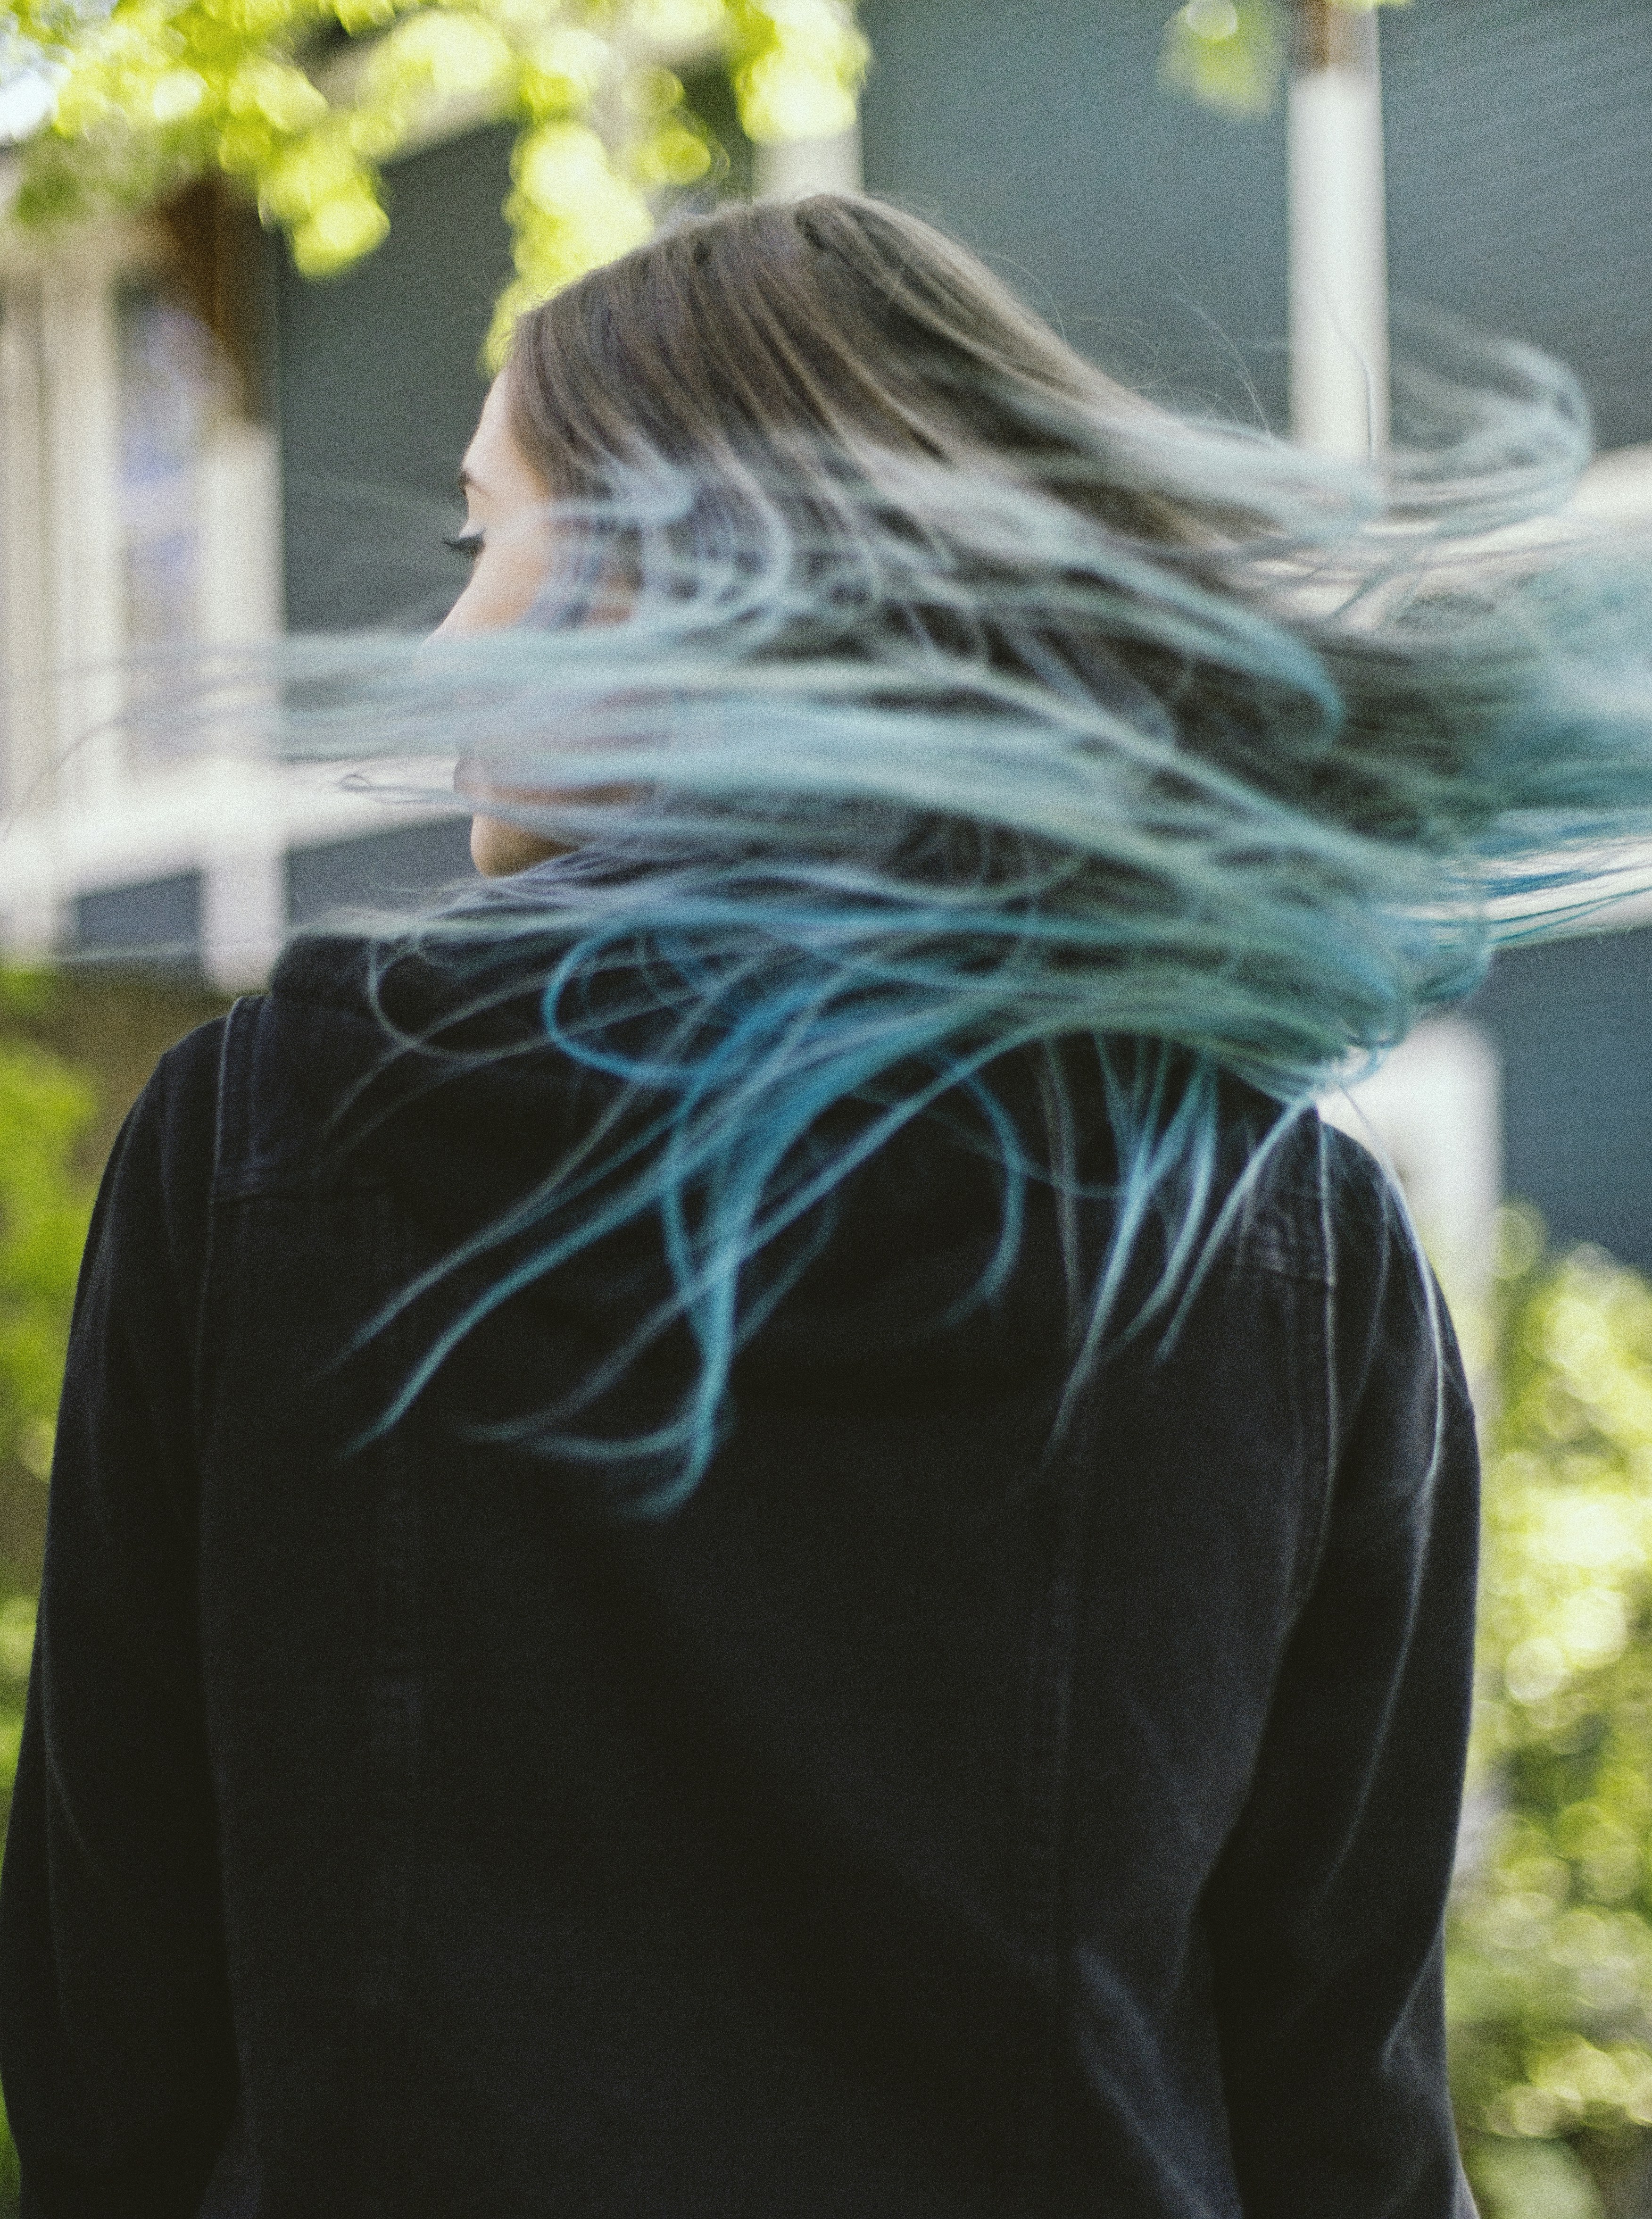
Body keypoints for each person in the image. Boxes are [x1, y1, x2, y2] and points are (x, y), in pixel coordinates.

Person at [7, 188, 1650, 2219]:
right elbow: (1348, 2114)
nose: (441, 647)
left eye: (481, 540)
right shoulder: (1284, 1239)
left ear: (688, 582)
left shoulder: (258, 1147)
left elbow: (108, 2038)